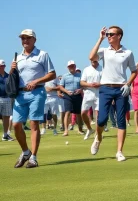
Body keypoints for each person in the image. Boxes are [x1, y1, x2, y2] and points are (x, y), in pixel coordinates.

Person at [89, 26, 137, 162]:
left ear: (119, 36)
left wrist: (128, 84)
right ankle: (98, 138)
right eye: (108, 34)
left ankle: (119, 151)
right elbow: (91, 57)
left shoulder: (127, 52)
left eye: (111, 34)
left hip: (121, 89)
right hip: (105, 88)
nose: (109, 36)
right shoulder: (104, 51)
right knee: (102, 119)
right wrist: (100, 38)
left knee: (121, 120)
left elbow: (134, 71)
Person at [12, 29, 56, 168]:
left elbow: (52, 74)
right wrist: (12, 69)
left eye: (28, 38)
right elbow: (13, 78)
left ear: (34, 40)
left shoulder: (42, 54)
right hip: (20, 94)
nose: (25, 40)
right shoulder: (17, 58)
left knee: (34, 124)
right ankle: (26, 152)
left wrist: (36, 81)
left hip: (37, 92)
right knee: (16, 125)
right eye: (23, 38)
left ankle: (34, 158)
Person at [59, 60, 84, 136]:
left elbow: (83, 85)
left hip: (77, 96)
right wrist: (66, 91)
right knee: (67, 112)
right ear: (68, 67)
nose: (71, 67)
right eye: (70, 66)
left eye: (72, 66)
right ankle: (66, 131)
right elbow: (60, 86)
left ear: (75, 66)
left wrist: (81, 89)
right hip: (68, 96)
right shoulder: (65, 76)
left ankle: (80, 129)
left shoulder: (80, 75)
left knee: (79, 113)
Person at [80, 55, 102, 140]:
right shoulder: (86, 69)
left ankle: (97, 132)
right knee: (83, 113)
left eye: (95, 59)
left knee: (98, 114)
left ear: (98, 59)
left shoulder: (102, 69)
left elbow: (106, 81)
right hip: (88, 93)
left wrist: (99, 84)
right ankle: (89, 129)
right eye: (92, 60)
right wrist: (89, 84)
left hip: (99, 93)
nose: (93, 61)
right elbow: (82, 82)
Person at [0, 60, 14, 141]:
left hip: (7, 98)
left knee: (7, 117)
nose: (1, 67)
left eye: (2, 66)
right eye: (0, 66)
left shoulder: (7, 76)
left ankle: (5, 135)